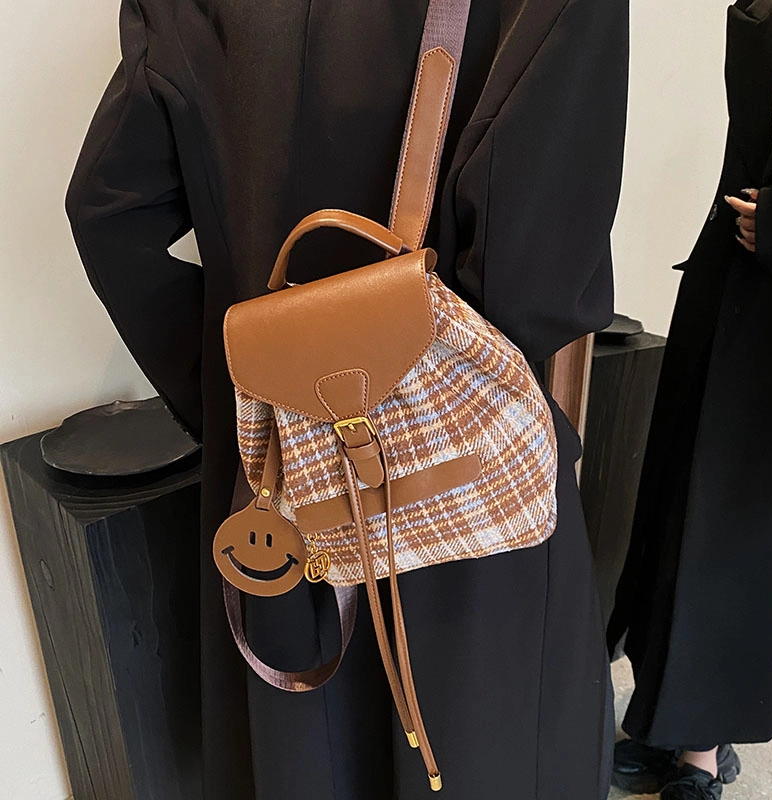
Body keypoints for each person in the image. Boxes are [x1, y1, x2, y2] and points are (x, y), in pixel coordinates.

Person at [66, 1, 628, 797]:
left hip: (282, 502)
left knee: (305, 753)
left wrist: (258, 408)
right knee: (491, 749)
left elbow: (106, 213)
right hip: (466, 496)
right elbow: (535, 284)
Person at [608, 1, 772, 798]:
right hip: (723, 296)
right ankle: (669, 720)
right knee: (679, 510)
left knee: (743, 536)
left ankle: (701, 749)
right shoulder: (758, 15)